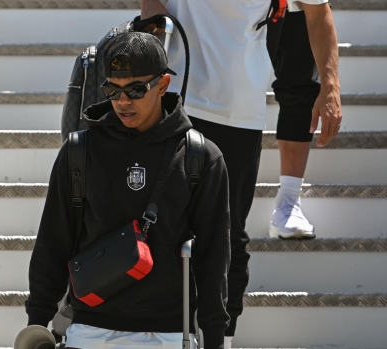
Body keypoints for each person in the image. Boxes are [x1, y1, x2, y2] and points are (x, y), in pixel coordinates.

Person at [141, 0, 341, 347]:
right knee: (161, 227)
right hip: (175, 98)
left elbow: (317, 11)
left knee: (227, 235)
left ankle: (221, 339)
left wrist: (330, 85)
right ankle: (165, 335)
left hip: (238, 110)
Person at [26, 31, 231, 349]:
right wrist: (37, 323)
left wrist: (214, 338)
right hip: (89, 330)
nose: (122, 101)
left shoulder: (200, 156)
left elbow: (214, 256)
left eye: (136, 89)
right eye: (112, 89)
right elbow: (53, 241)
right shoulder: (79, 151)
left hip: (167, 334)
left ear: (162, 85)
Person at [266, 2, 342, 239]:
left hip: (289, 10)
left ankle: (288, 199)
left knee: (299, 88)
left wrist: (330, 87)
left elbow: (318, 12)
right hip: (225, 14)